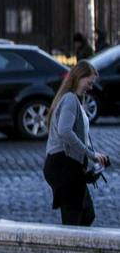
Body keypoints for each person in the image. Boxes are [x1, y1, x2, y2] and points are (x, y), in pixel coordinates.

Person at [44, 61, 109, 226]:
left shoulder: (70, 99)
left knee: (85, 214)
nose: (91, 87)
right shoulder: (70, 100)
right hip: (64, 165)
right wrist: (91, 154)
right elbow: (65, 131)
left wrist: (92, 158)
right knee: (75, 218)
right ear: (79, 77)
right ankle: (70, 251)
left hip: (65, 164)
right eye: (89, 82)